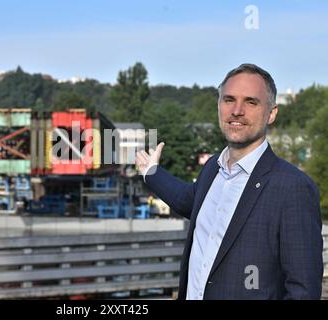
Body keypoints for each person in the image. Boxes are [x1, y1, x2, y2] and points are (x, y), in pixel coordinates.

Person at [135, 63, 323, 300]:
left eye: (251, 102)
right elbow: (188, 200)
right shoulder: (213, 167)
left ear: (271, 113)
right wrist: (151, 173)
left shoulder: (292, 187)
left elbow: (303, 291)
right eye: (229, 100)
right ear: (219, 106)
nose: (237, 110)